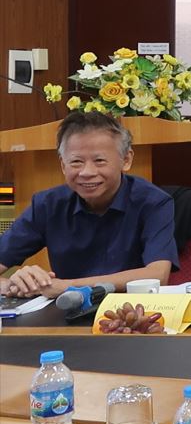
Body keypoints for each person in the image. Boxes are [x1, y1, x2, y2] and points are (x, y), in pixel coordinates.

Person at [0, 112, 177, 297]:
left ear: (126, 160)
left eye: (99, 161)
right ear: (63, 165)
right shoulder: (47, 205)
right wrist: (10, 285)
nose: (87, 172)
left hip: (132, 313)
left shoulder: (154, 202)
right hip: (66, 314)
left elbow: (157, 274)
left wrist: (65, 287)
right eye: (76, 162)